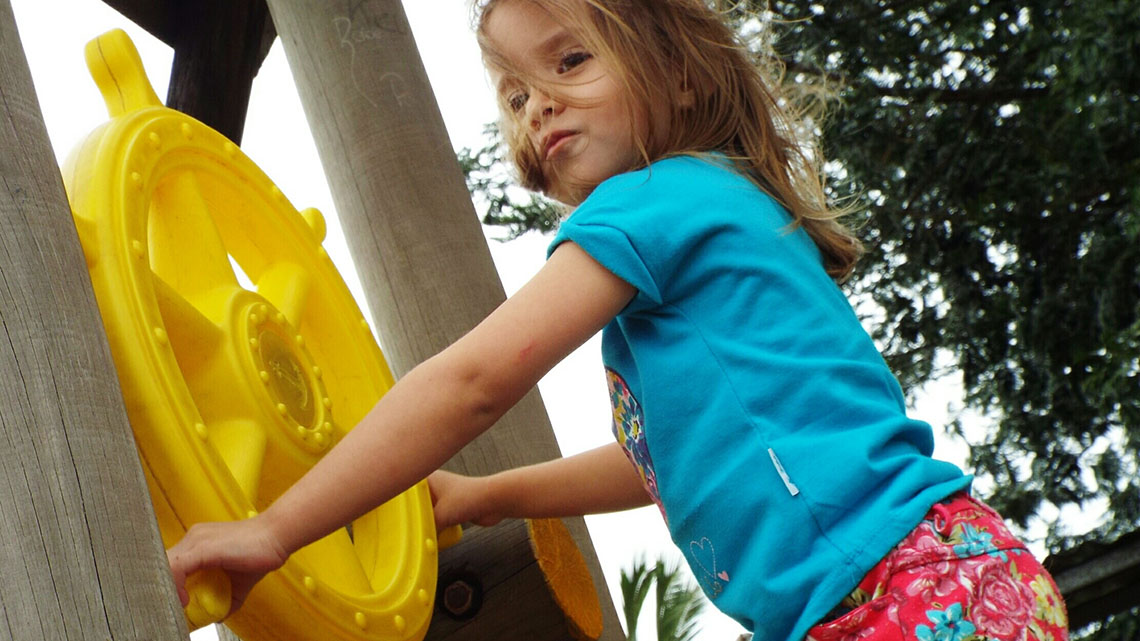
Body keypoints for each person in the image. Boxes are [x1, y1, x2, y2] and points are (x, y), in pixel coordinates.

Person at [168, 1, 1070, 640]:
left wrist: (276, 529)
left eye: (568, 62)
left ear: (675, 74)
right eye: (516, 94)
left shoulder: (656, 199)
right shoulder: (711, 218)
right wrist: (485, 495)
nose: (540, 104)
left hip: (896, 588)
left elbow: (475, 380)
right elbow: (662, 469)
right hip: (931, 580)